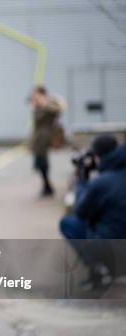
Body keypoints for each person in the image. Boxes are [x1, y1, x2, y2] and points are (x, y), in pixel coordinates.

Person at [59, 134, 126, 289]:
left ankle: (99, 268)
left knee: (68, 223)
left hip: (115, 246)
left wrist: (82, 181)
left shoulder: (101, 183)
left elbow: (81, 211)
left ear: (97, 156)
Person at [28, 85, 62, 197]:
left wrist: (45, 103)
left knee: (42, 162)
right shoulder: (37, 106)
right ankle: (46, 185)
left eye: (35, 93)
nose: (33, 96)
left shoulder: (49, 104)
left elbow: (59, 109)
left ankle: (47, 186)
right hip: (38, 137)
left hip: (45, 137)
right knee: (39, 163)